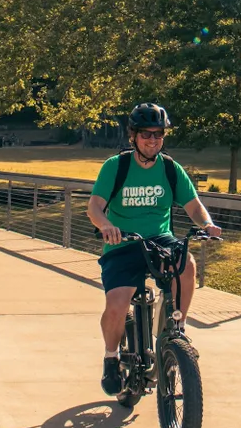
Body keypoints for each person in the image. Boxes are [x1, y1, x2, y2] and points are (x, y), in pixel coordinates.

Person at [87, 103, 222, 396]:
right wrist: (106, 225)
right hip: (122, 243)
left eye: (159, 134)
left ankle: (177, 329)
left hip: (160, 240)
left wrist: (207, 224)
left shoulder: (170, 168)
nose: (153, 140)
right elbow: (94, 207)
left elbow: (194, 205)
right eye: (146, 134)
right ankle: (111, 357)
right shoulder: (116, 166)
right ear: (133, 136)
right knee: (117, 305)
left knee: (187, 266)